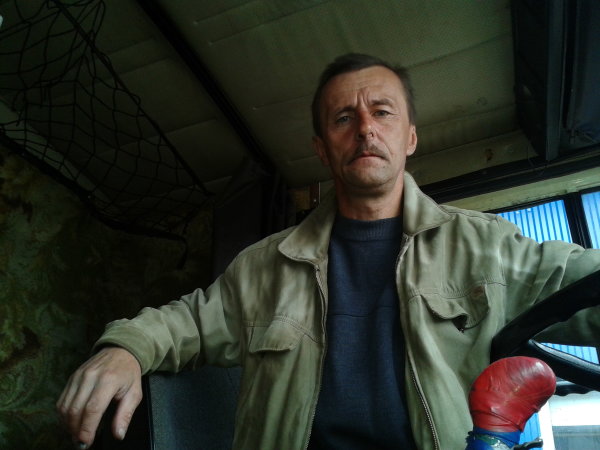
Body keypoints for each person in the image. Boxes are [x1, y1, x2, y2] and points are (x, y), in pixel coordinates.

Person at [57, 53, 600, 450]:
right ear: (322, 149)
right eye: (343, 118)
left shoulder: (488, 246)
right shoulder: (264, 266)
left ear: (410, 137)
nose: (364, 128)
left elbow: (582, 286)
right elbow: (187, 323)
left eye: (382, 112)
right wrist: (125, 349)